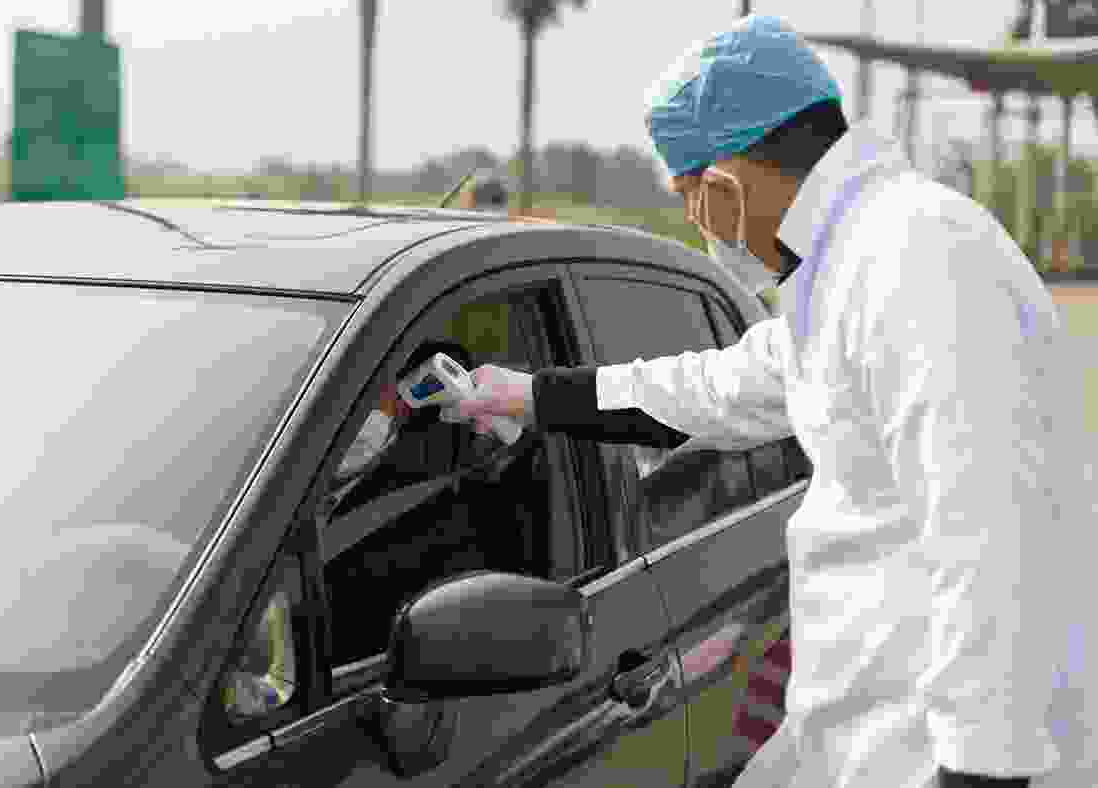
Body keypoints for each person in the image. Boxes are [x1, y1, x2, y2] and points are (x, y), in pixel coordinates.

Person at [445, 14, 1095, 788]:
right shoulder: (851, 262)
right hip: (860, 730)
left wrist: (980, 771)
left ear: (724, 183)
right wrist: (528, 396)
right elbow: (718, 389)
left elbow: (989, 538)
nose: (695, 221)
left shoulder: (920, 258)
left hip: (942, 754)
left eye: (688, 196)